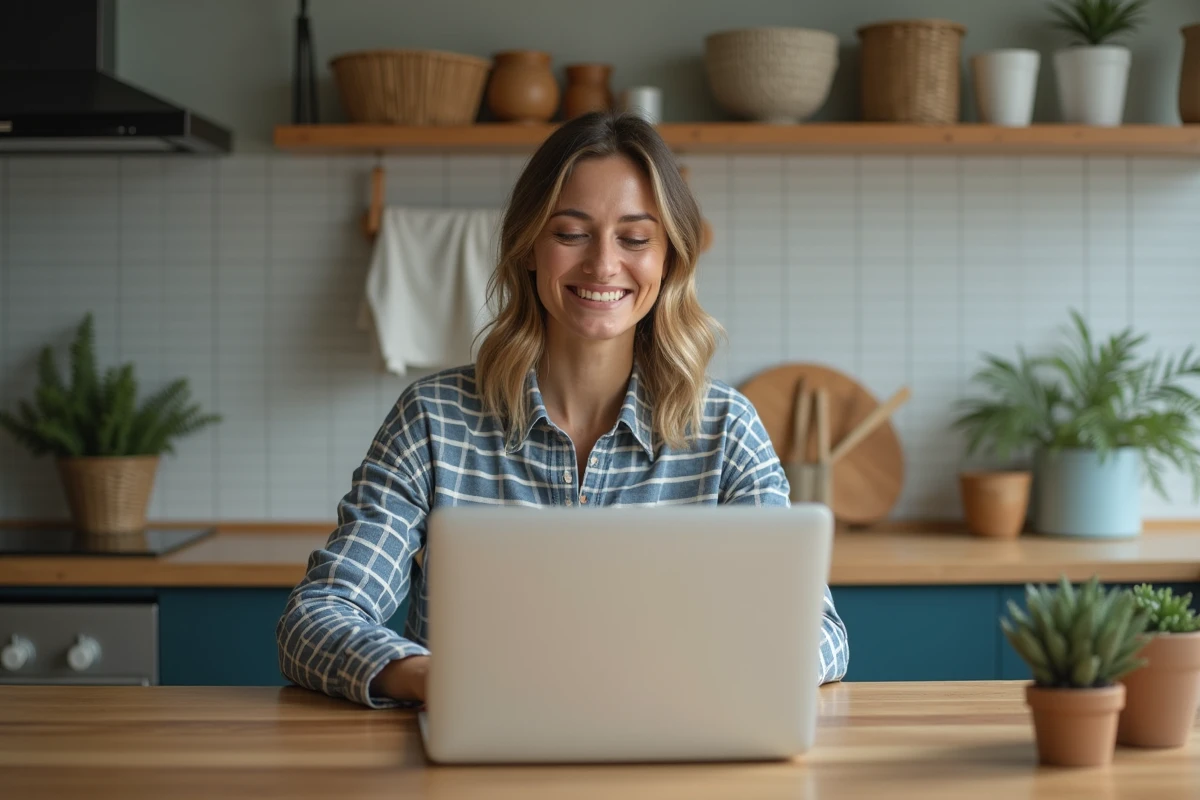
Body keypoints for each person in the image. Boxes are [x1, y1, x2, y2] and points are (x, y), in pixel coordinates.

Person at [276, 111, 849, 708]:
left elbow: (820, 634)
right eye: (570, 233)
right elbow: (316, 617)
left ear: (669, 259)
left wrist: (725, 675)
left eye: (634, 238)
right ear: (528, 247)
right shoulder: (432, 417)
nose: (603, 265)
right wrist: (426, 677)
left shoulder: (727, 428)